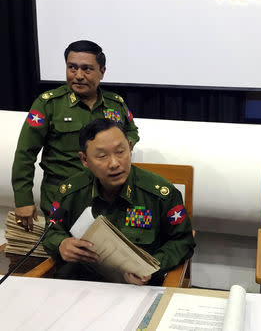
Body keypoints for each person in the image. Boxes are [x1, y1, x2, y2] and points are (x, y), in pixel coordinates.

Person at [42, 118, 195, 285]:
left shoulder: (160, 194)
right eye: (102, 156)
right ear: (84, 160)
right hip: (83, 284)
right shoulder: (71, 193)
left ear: (130, 147)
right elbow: (51, 232)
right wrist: (61, 244)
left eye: (120, 152)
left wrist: (152, 266)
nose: (114, 163)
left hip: (138, 288)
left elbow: (182, 241)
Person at [11, 40, 139, 231]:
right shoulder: (49, 104)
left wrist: (122, 147)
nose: (78, 76)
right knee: (64, 253)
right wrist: (23, 200)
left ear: (102, 71)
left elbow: (131, 131)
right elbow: (25, 153)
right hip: (63, 197)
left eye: (87, 69)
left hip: (108, 197)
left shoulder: (115, 104)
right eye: (72, 68)